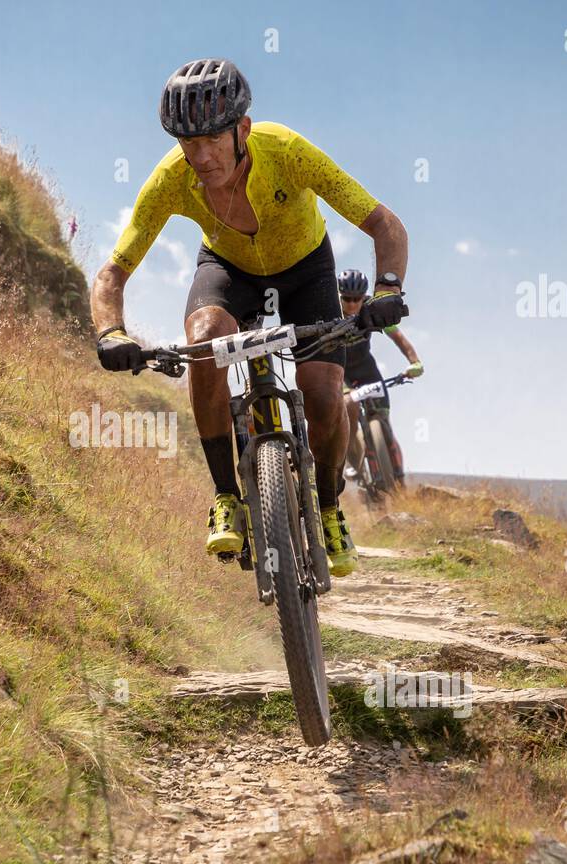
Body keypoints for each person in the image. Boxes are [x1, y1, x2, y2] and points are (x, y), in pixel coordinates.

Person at [91, 59, 409, 577]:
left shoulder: (284, 150)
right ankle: (226, 496)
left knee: (326, 395)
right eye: (187, 143)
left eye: (213, 139)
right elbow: (112, 274)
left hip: (307, 269)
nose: (200, 156)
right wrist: (111, 332)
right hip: (229, 269)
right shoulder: (172, 179)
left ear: (242, 129)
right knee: (205, 340)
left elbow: (385, 225)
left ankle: (328, 507)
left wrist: (388, 290)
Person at [337, 269, 423, 486]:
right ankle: (353, 464)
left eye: (357, 299)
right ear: (339, 296)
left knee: (383, 419)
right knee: (349, 407)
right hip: (342, 374)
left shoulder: (371, 310)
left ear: (364, 296)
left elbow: (398, 337)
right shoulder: (331, 312)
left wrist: (414, 362)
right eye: (347, 299)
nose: (352, 304)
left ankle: (399, 480)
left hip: (368, 370)